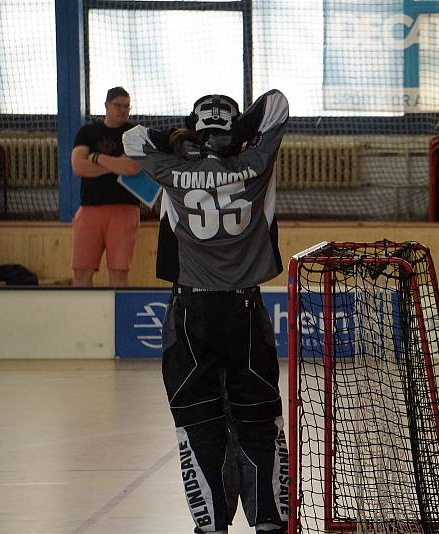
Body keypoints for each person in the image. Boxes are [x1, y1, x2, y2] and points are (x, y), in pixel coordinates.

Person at [123, 90, 290, 534]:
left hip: (191, 312)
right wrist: (235, 139)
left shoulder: (175, 170)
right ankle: (270, 522)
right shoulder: (255, 164)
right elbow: (276, 104)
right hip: (245, 310)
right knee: (258, 418)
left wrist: (180, 141)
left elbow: (133, 139)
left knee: (199, 422)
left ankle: (211, 524)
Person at [70, 86, 141, 287]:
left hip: (125, 209)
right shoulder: (87, 132)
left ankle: (116, 317)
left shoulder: (134, 133)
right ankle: (82, 317)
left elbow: (132, 168)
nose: (122, 110)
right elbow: (78, 166)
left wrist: (96, 158)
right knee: (82, 272)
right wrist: (115, 164)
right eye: (118, 105)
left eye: (127, 106)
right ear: (106, 106)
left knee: (119, 273)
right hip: (89, 208)